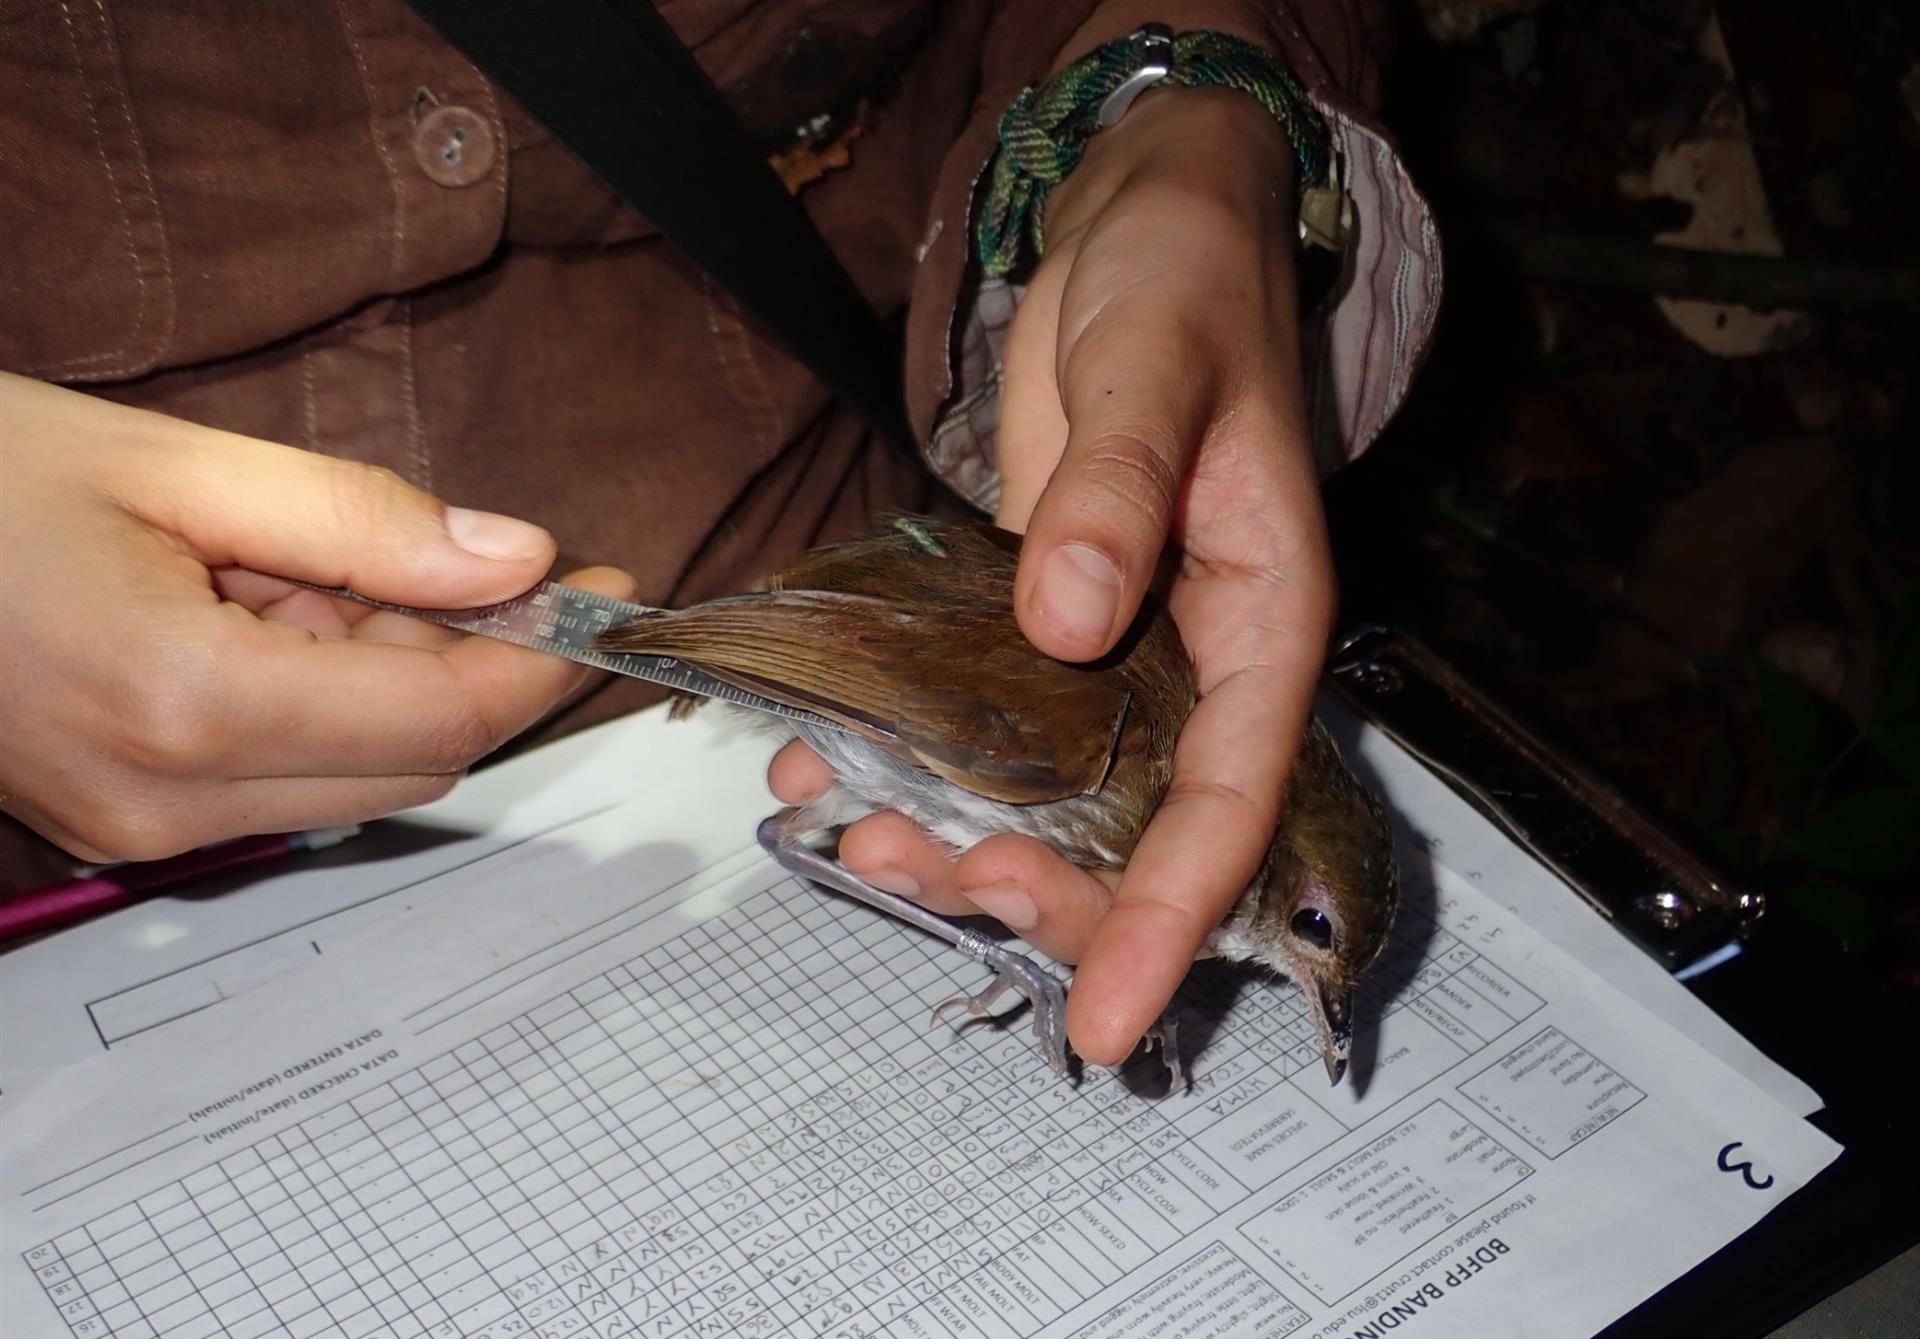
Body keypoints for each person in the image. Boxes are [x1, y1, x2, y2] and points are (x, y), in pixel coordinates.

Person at [0, 0, 1437, 1068]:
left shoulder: (1169, 731)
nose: (1305, 979)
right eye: (1309, 943)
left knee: (850, 821)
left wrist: (1186, 115)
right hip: (77, 741)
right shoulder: (1101, 764)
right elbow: (864, 661)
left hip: (815, 501)